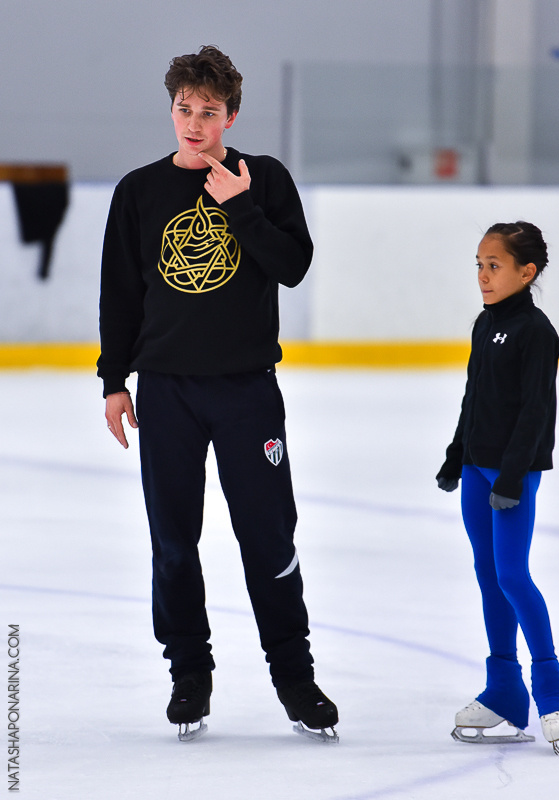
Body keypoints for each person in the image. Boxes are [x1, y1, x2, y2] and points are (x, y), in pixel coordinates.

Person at [97, 45, 338, 742]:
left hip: (246, 392)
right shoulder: (138, 192)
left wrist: (240, 209)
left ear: (231, 115)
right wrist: (115, 381)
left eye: (209, 111)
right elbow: (121, 295)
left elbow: (292, 267)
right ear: (171, 109)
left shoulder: (262, 179)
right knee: (173, 542)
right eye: (184, 109)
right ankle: (189, 673)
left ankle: (294, 676)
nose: (194, 123)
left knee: (269, 539)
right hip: (167, 392)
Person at [436, 221, 559, 755]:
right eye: (479, 264)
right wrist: (456, 455)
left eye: (494, 266)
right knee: (488, 575)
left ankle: (552, 690)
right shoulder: (483, 324)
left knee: (514, 574)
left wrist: (514, 476)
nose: (483, 275)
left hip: (512, 474)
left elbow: (536, 410)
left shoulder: (537, 333)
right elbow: (475, 396)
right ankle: (504, 690)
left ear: (527, 272)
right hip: (477, 468)